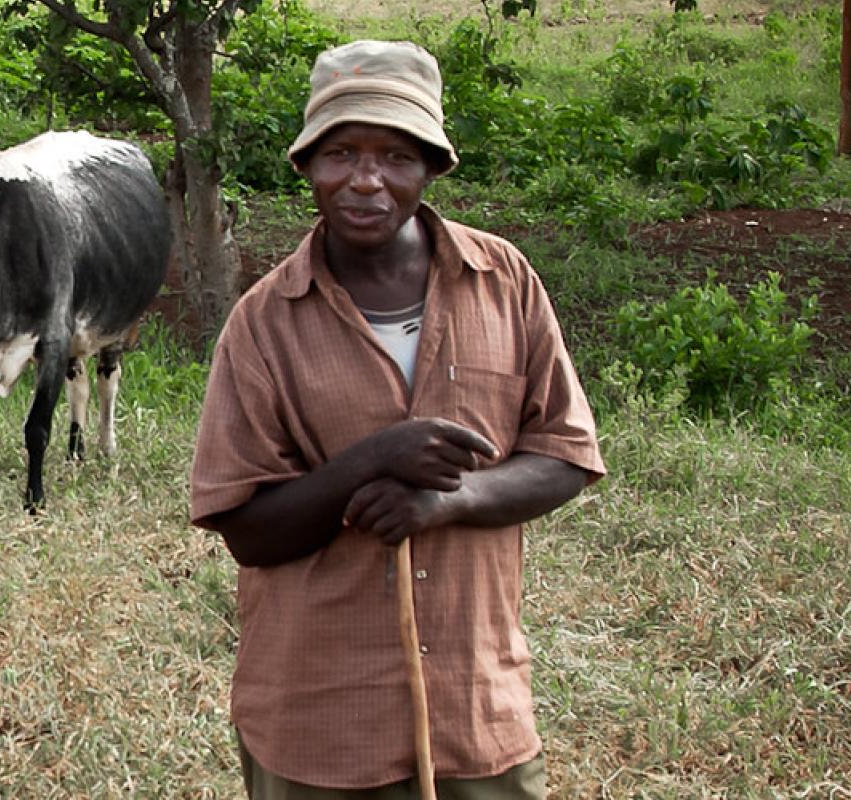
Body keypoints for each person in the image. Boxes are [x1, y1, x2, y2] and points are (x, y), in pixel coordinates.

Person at [187, 40, 607, 798]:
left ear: (432, 167)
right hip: (317, 721)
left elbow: (566, 454)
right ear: (308, 164)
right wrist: (371, 459)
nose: (366, 181)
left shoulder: (504, 282)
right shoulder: (262, 325)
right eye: (341, 153)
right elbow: (247, 532)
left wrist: (452, 499)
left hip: (478, 715)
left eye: (396, 155)